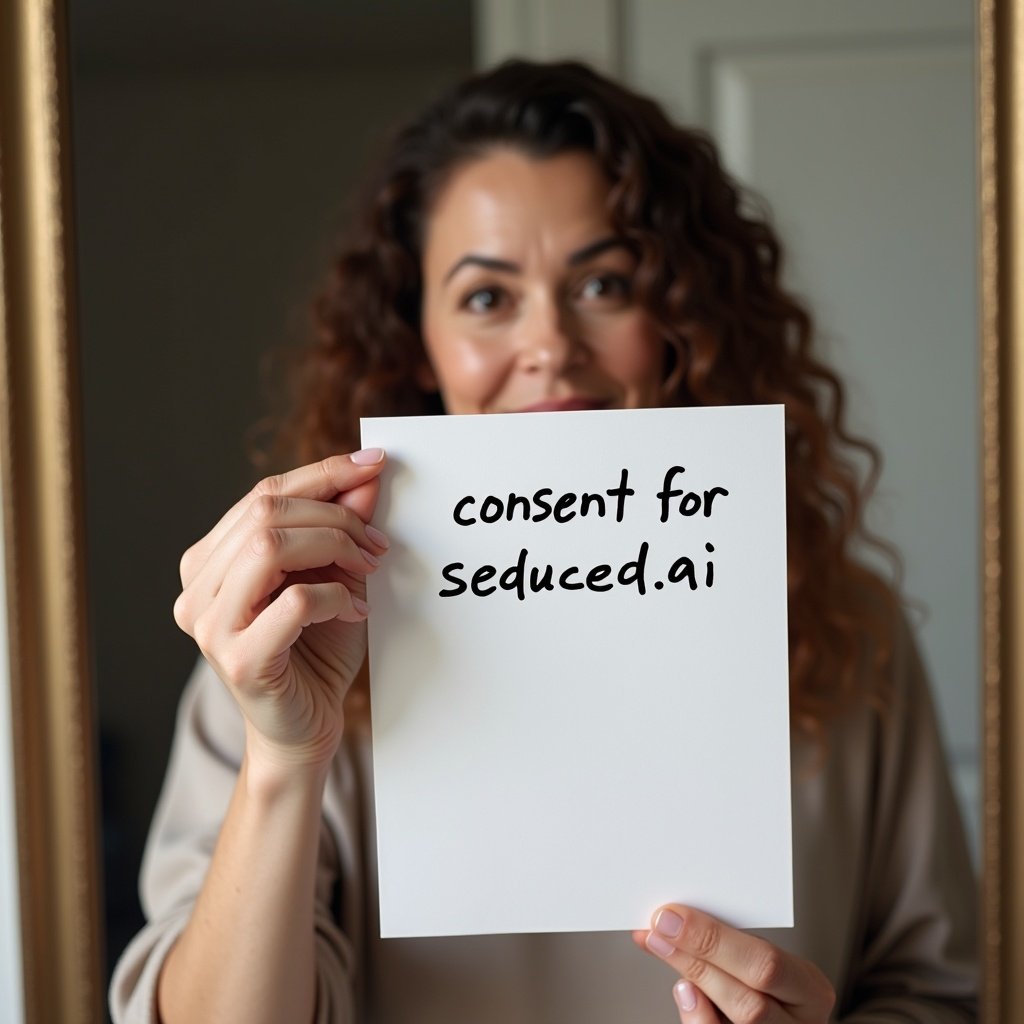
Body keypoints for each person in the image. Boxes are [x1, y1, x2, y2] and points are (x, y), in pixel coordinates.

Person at [109, 59, 977, 1023]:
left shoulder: (842, 627)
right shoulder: (293, 635)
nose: (551, 344)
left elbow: (937, 990)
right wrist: (282, 756)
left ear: (683, 318)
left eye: (603, 282)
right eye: (487, 297)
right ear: (417, 342)